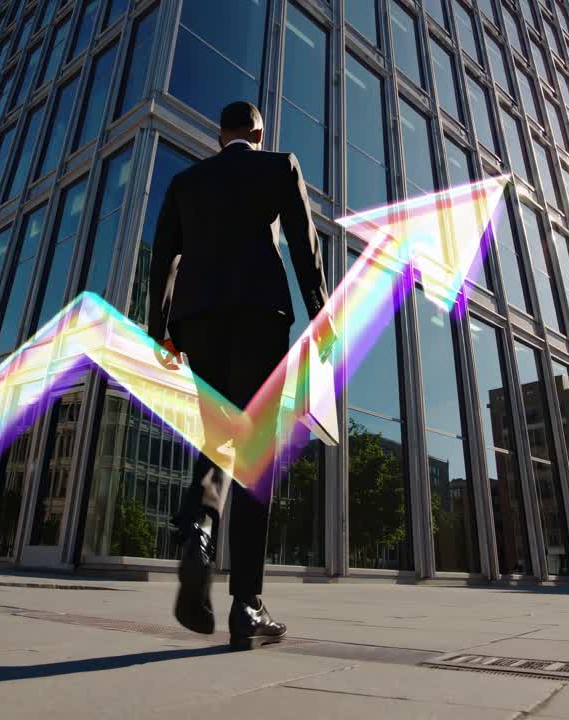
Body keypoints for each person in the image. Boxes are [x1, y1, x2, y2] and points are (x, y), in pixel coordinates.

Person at [147, 100, 334, 650]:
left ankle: (199, 530)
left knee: (217, 440)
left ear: (219, 133)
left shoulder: (186, 182)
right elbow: (304, 244)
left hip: (197, 321)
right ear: (257, 132)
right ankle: (246, 604)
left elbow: (164, 258)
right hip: (261, 316)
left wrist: (160, 330)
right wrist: (321, 316)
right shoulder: (279, 166)